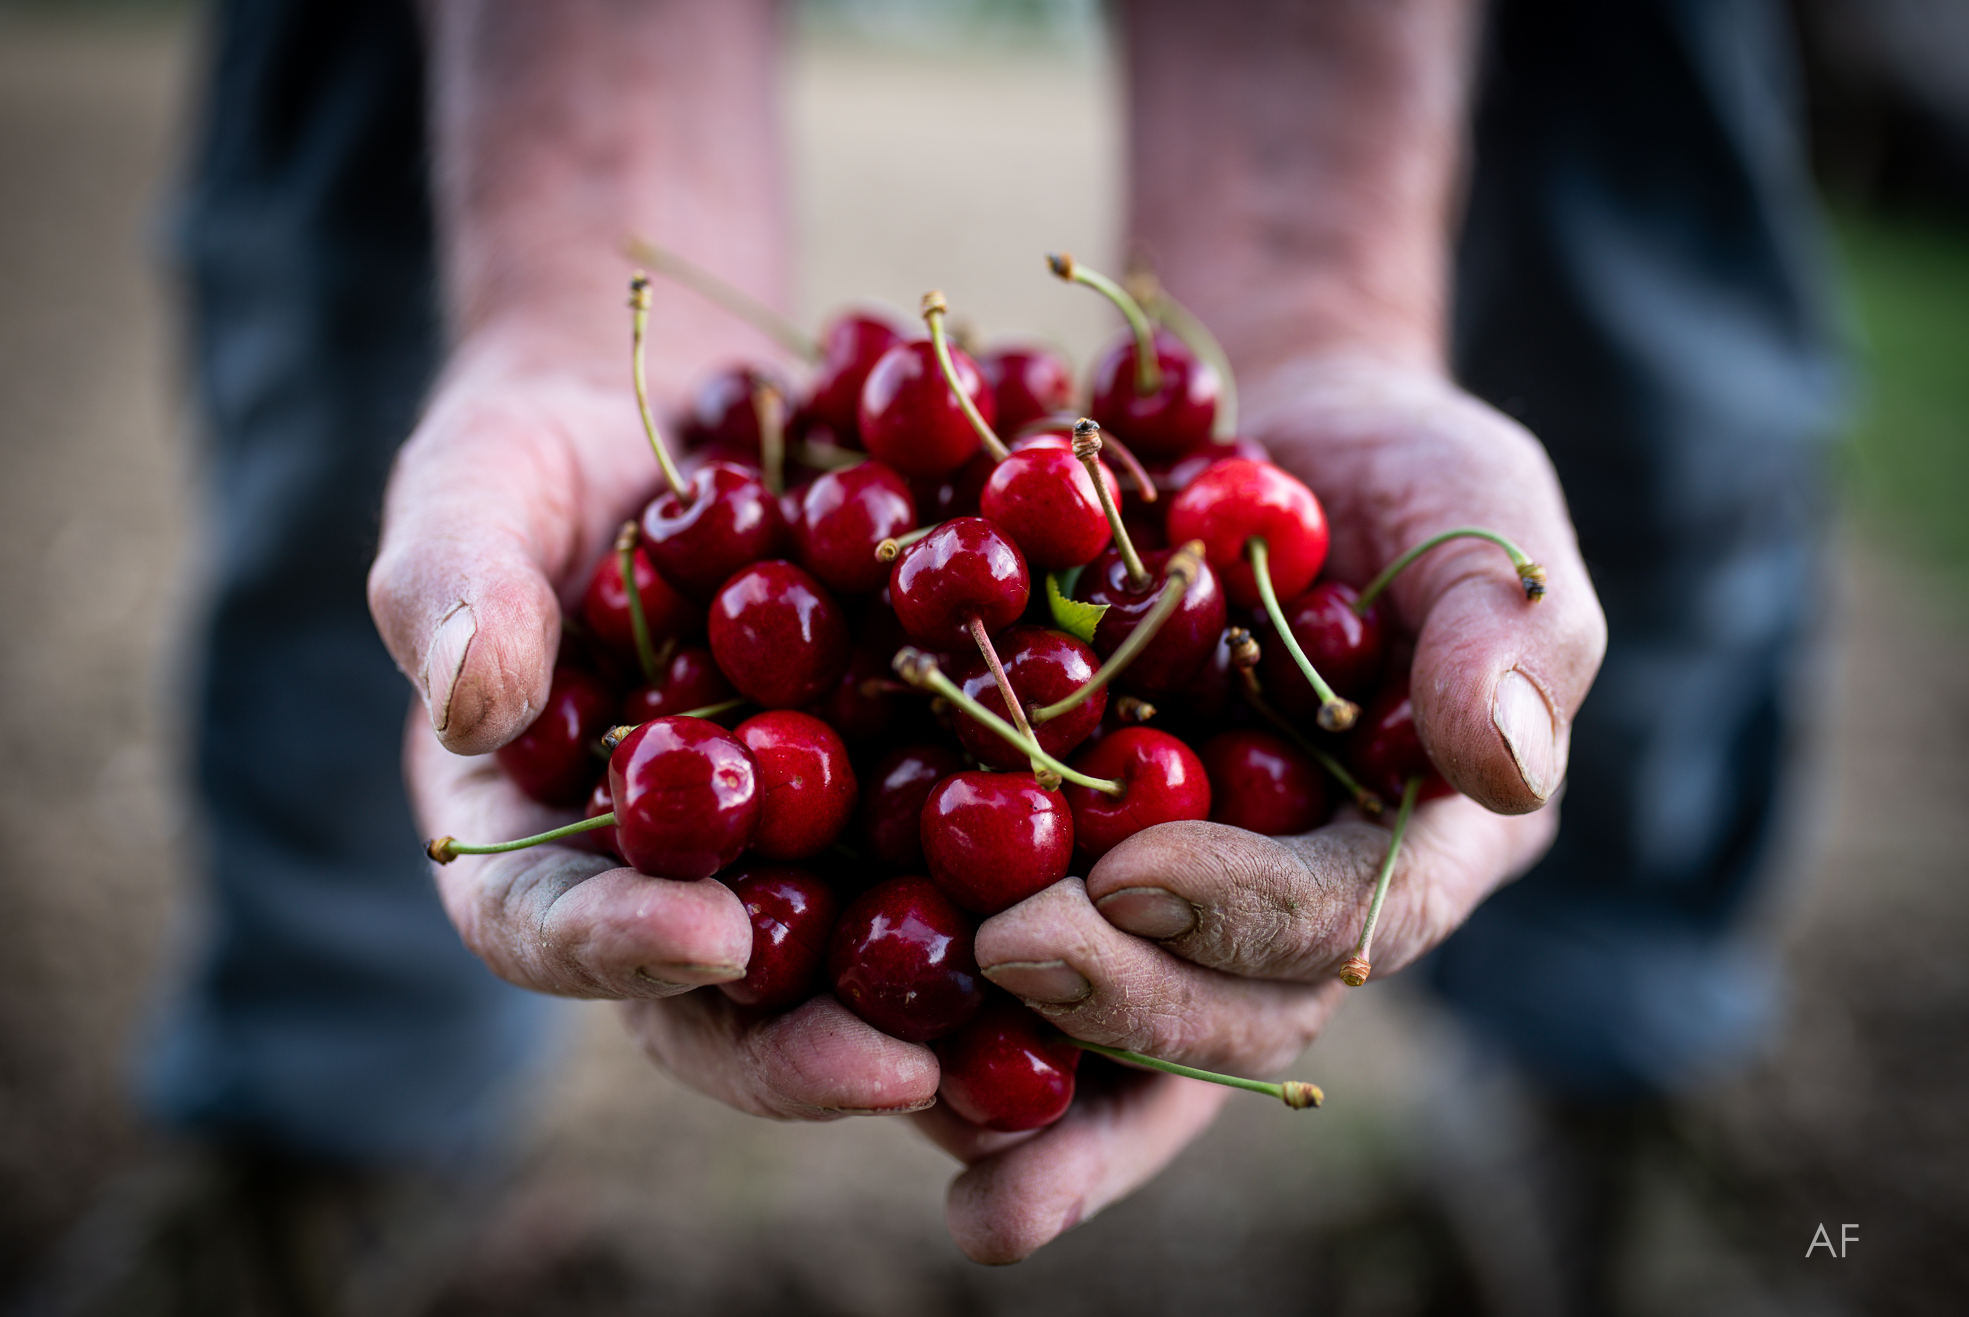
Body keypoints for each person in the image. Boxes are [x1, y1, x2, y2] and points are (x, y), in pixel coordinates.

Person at [127, 0, 1835, 1303]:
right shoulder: (836, 633)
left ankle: (1600, 1066)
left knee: (1643, 314)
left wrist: (1310, 291)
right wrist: (582, 260)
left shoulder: (1126, 608)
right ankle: (322, 1123)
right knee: (375, 414)